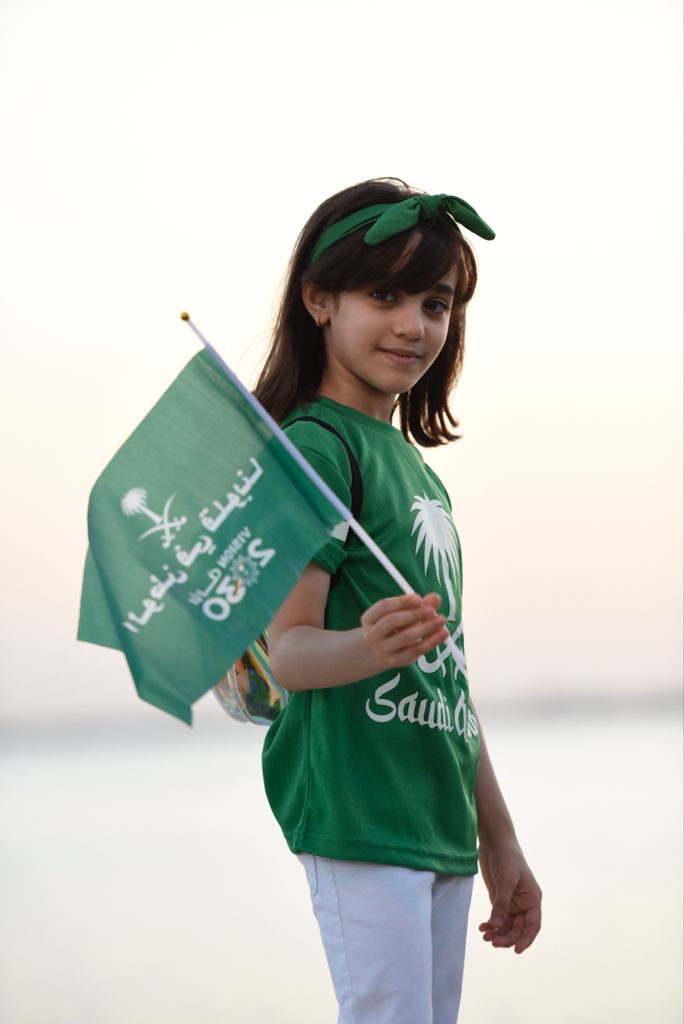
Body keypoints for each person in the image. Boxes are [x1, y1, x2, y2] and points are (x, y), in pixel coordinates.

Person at [255, 178, 542, 1024]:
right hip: (360, 808)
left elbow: (446, 677)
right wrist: (366, 647)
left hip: (437, 815)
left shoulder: (418, 474)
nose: (414, 325)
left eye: (435, 303)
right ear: (319, 299)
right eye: (384, 296)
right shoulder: (314, 447)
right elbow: (287, 654)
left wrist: (499, 838)